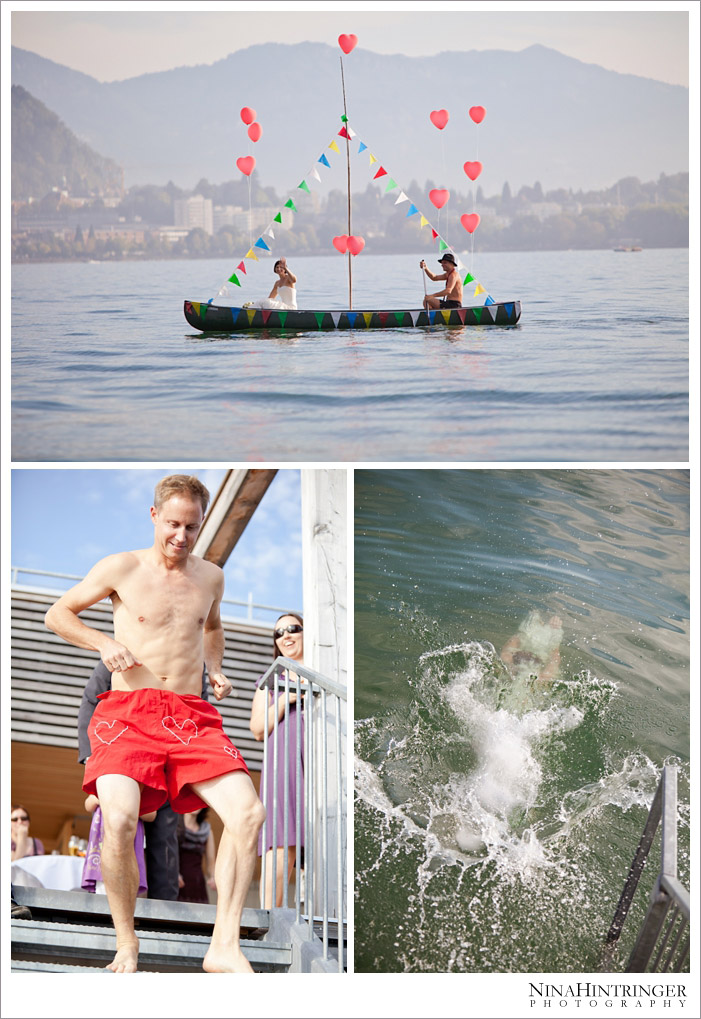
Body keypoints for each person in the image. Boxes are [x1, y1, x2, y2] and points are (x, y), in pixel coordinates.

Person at [44, 473, 266, 974]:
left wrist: (216, 668)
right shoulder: (121, 567)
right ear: (153, 516)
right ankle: (127, 943)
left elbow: (211, 625)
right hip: (130, 713)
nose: (180, 537)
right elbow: (58, 614)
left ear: (201, 523)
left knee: (248, 814)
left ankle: (224, 946)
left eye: (191, 526)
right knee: (120, 819)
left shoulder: (210, 577)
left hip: (190, 716)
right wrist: (104, 643)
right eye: (172, 524)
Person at [78, 659, 211, 901]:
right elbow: (91, 701)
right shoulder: (118, 651)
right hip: (123, 755)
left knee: (165, 841)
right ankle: (111, 907)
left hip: (170, 760)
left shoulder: (191, 657)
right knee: (116, 828)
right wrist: (92, 759)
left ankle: (163, 915)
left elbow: (199, 707)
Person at [249, 612, 304, 908]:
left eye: (293, 628)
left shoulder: (322, 672)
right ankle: (272, 918)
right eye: (279, 633)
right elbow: (257, 729)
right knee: (281, 840)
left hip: (319, 764)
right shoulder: (271, 681)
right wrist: (286, 699)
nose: (286, 636)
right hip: (283, 764)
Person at [82, 793, 154, 897]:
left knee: (127, 883)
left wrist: (130, 805)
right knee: (103, 887)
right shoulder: (103, 782)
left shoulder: (139, 789)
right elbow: (88, 804)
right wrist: (102, 797)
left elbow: (151, 814)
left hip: (128, 840)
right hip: (105, 836)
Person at [177, 808, 216, 903]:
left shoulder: (207, 831)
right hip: (178, 882)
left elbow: (211, 863)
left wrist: (213, 878)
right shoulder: (175, 827)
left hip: (197, 884)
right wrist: (173, 874)